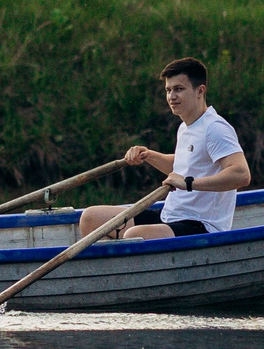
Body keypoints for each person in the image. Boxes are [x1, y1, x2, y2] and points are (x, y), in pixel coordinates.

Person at [78, 57, 251, 241]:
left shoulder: (215, 128)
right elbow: (184, 167)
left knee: (135, 235)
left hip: (201, 224)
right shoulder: (185, 127)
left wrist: (189, 183)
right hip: (171, 216)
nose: (171, 97)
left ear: (200, 91)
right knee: (91, 218)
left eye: (179, 89)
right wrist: (148, 155)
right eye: (168, 90)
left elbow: (241, 174)